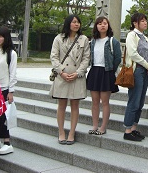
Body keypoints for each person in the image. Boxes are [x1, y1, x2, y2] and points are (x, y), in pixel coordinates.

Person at [50, 14, 90, 145]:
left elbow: (86, 59)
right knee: (61, 105)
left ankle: (72, 133)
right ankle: (61, 132)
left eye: (78, 22)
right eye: (73, 22)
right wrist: (61, 72)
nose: (76, 24)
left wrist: (78, 73)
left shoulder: (84, 39)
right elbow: (54, 57)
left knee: (75, 105)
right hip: (62, 76)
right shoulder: (59, 38)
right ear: (68, 24)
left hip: (77, 77)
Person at [86, 16, 121, 135]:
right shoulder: (92, 42)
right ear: (96, 26)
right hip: (95, 71)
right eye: (100, 23)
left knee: (105, 101)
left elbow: (117, 58)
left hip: (107, 72)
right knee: (95, 101)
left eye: (105, 23)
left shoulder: (113, 41)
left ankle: (103, 127)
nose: (102, 25)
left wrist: (111, 70)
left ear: (108, 26)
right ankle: (95, 126)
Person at [123, 13, 148, 141]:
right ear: (135, 23)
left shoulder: (145, 37)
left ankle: (134, 128)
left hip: (145, 71)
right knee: (134, 100)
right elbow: (133, 54)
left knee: (140, 101)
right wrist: (147, 65)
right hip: (137, 71)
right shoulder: (132, 35)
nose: (145, 23)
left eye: (146, 20)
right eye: (142, 21)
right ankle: (127, 130)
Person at [0, 26, 17, 155]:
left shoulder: (11, 53)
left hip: (4, 89)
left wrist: (11, 92)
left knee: (2, 117)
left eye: (0, 36)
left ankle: (7, 142)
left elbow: (12, 74)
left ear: (6, 38)